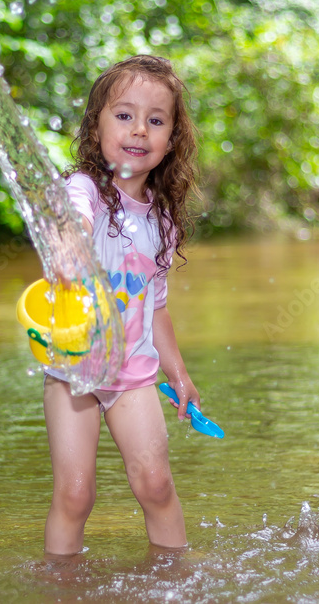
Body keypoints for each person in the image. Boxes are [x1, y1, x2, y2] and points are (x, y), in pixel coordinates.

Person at [43, 55, 202, 556]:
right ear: (97, 125)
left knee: (156, 484)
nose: (139, 130)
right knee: (76, 494)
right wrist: (72, 242)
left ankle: (176, 582)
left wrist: (178, 374)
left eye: (156, 120)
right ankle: (63, 587)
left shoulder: (161, 220)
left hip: (132, 371)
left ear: (172, 139)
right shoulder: (83, 191)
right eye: (124, 115)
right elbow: (71, 225)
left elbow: (156, 308)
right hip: (75, 368)